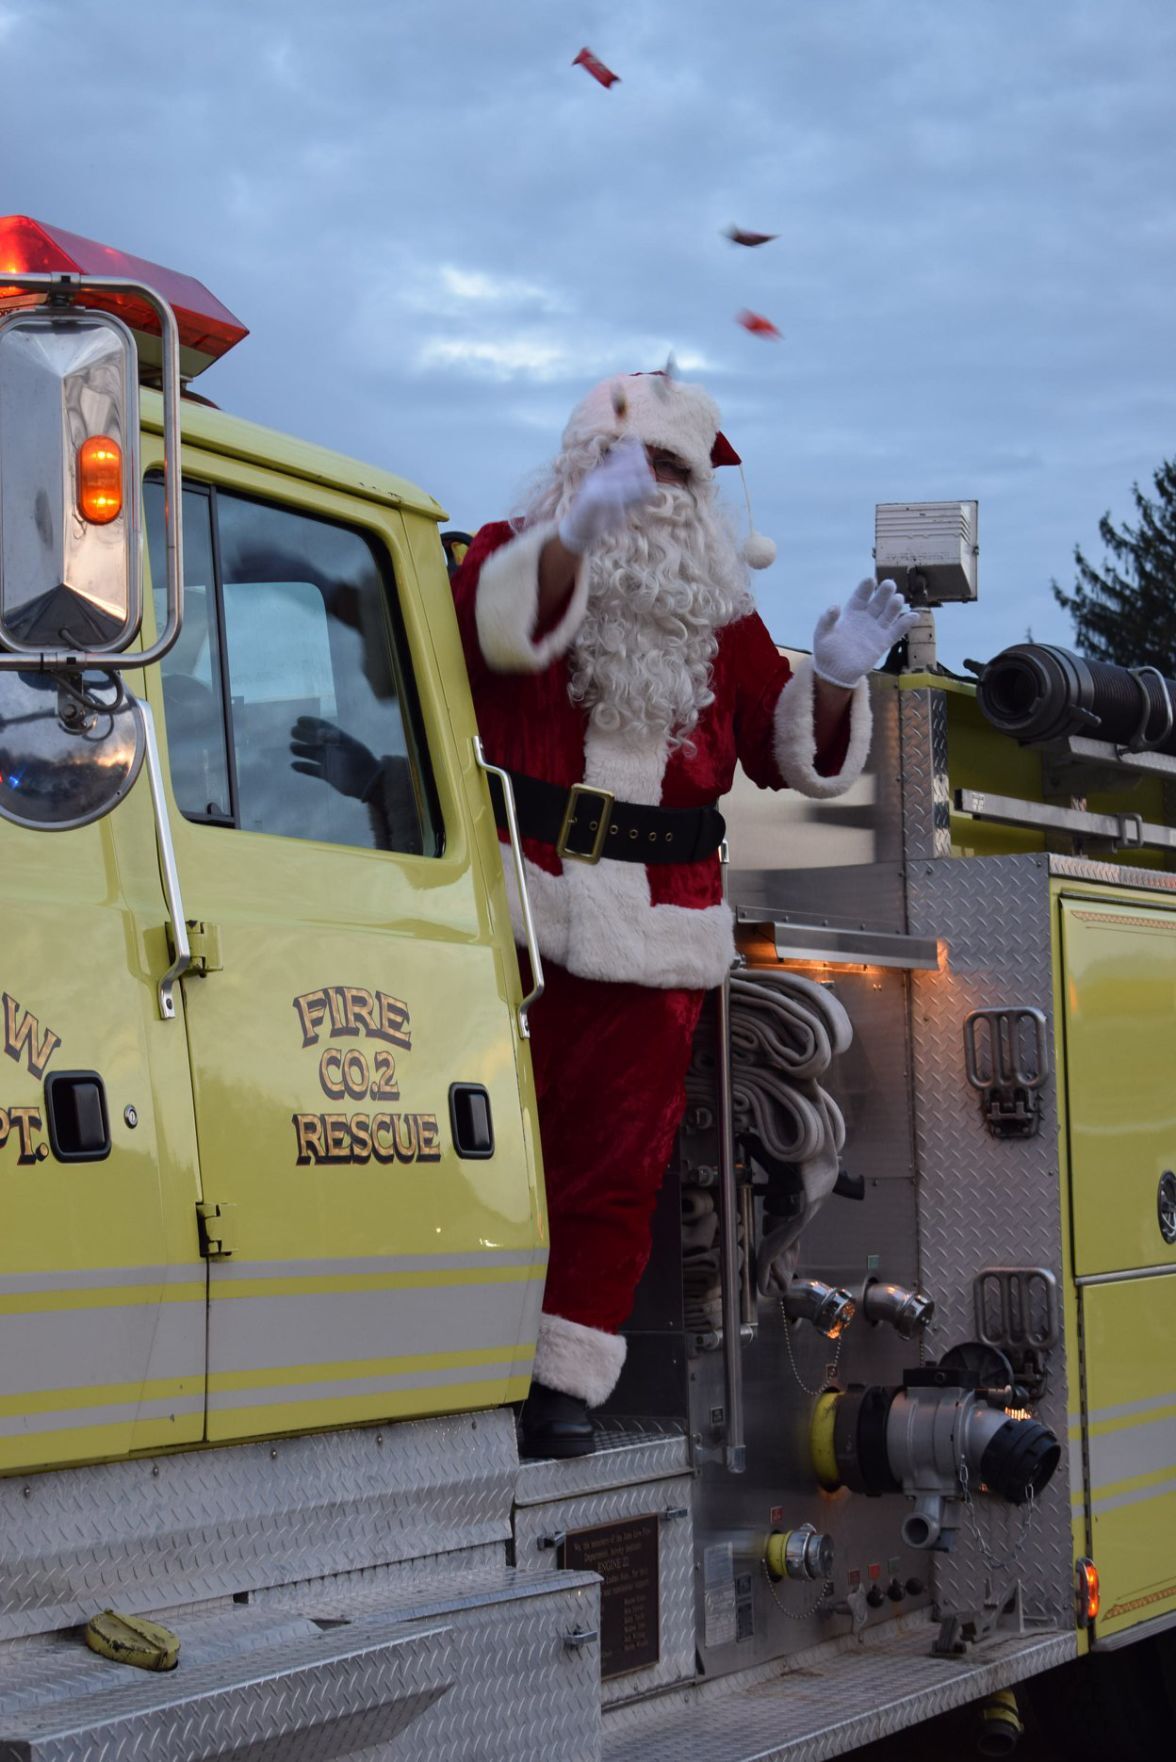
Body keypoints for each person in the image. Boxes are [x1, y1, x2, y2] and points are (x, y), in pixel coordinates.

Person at [347, 371, 915, 1458]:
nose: (648, 485)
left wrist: (837, 679)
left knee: (616, 1169)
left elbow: (780, 751)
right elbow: (484, 639)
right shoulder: (510, 556)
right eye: (627, 462)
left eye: (670, 469)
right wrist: (573, 540)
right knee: (476, 1149)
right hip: (518, 911)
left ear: (698, 494)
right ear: (577, 465)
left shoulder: (721, 612)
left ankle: (561, 1382)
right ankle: (449, 1365)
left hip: (661, 931)